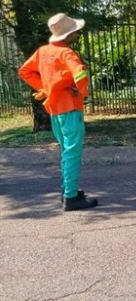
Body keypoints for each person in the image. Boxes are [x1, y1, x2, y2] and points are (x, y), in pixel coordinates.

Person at [18, 13, 98, 211]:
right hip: (70, 107)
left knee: (65, 151)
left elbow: (24, 71)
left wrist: (45, 88)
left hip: (54, 108)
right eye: (75, 32)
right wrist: (82, 91)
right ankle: (70, 197)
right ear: (68, 35)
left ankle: (67, 190)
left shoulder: (43, 51)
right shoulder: (67, 53)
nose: (78, 34)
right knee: (72, 153)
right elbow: (80, 73)